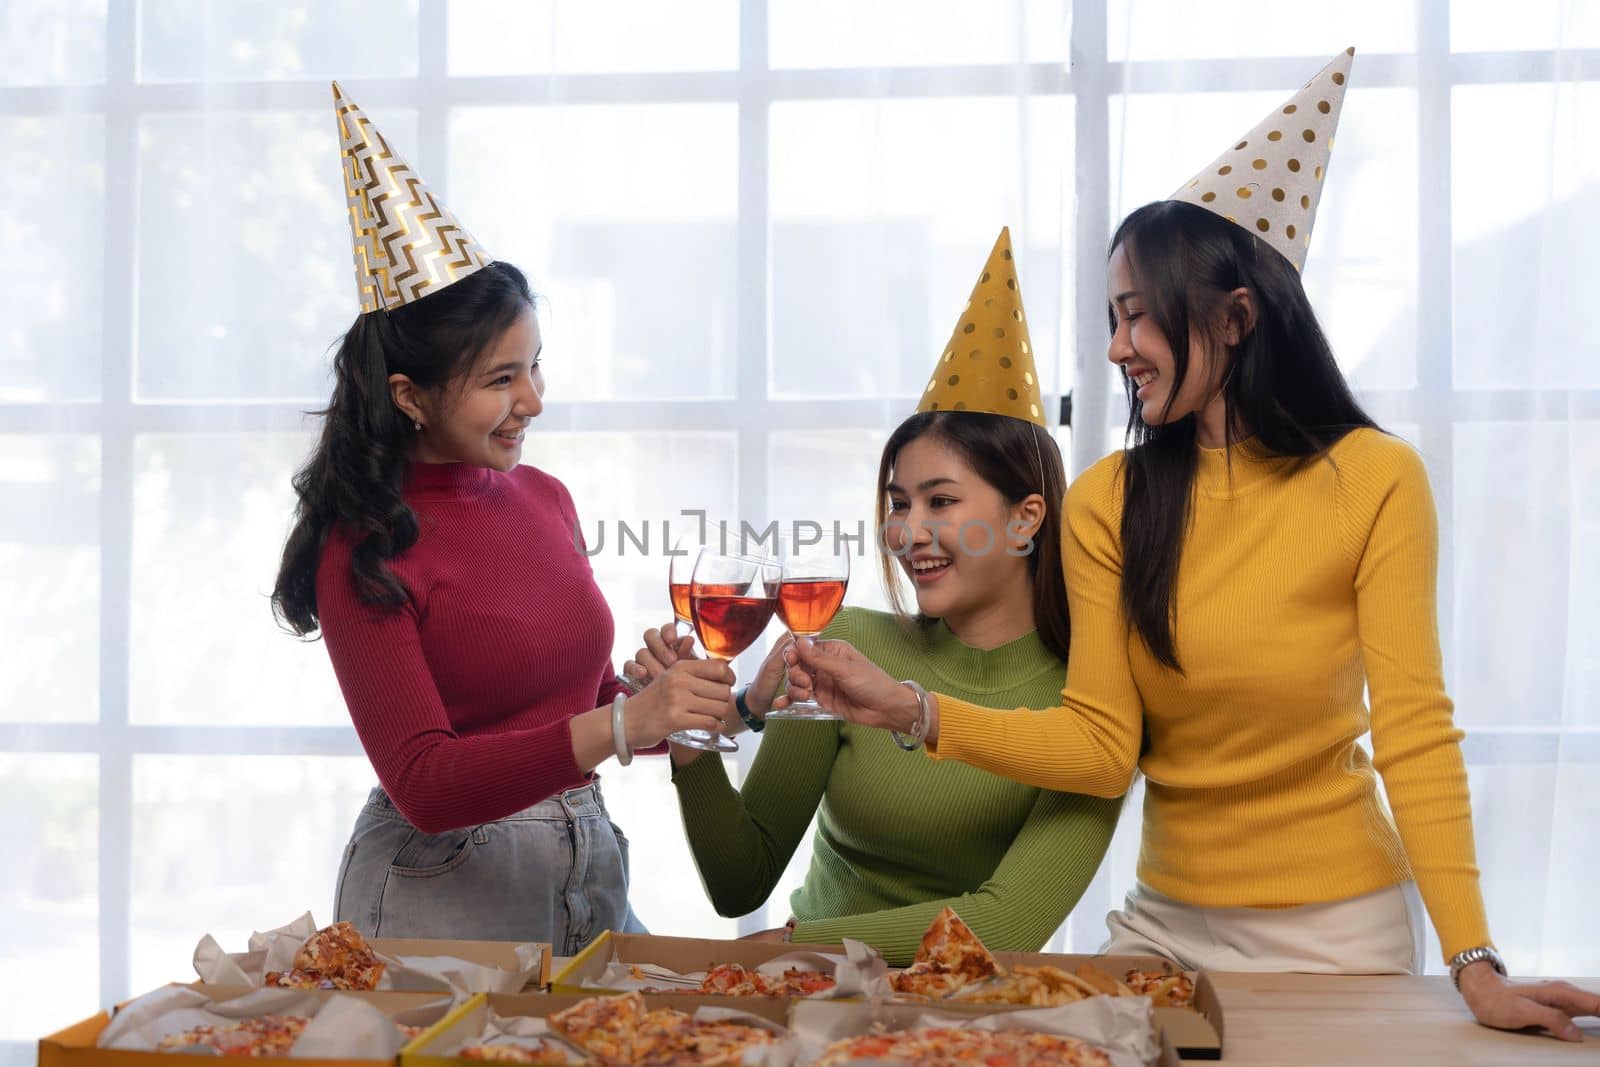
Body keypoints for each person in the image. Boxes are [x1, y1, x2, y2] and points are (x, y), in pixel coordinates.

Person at [780, 51, 1600, 1039]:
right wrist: (910, 706)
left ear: (1235, 317)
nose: (1118, 346)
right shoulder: (1107, 500)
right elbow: (1096, 741)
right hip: (1164, 924)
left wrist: (1476, 961)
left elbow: (1414, 731)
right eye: (1111, 318)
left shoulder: (1377, 479)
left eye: (1135, 315)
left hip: (1338, 933)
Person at [269, 83, 733, 954]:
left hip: (584, 872)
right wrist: (626, 725)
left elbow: (574, 699)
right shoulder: (362, 547)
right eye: (499, 380)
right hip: (440, 896)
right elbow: (426, 782)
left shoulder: (545, 497)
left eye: (534, 367)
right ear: (408, 395)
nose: (534, 401)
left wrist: (686, 702)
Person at [627, 230, 1120, 966]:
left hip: (961, 1020)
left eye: (940, 500)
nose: (905, 531)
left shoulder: (1088, 704)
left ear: (1026, 518)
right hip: (802, 1000)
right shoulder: (847, 647)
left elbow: (1006, 925)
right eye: (897, 502)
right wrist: (691, 734)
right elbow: (740, 879)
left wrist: (803, 945)